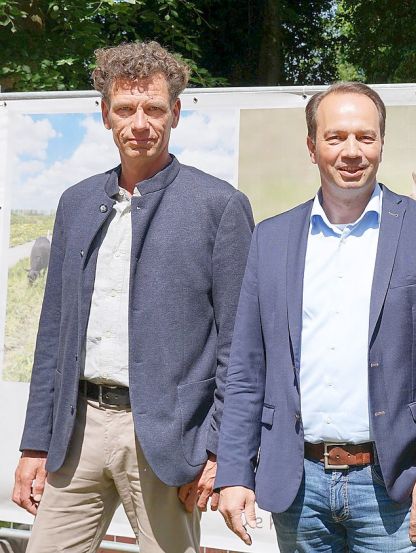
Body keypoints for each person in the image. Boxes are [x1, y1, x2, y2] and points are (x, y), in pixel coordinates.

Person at [11, 41, 254, 552]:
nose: (140, 123)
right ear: (105, 115)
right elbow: (53, 332)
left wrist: (220, 452)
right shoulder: (76, 203)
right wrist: (35, 443)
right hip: (77, 432)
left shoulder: (219, 206)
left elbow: (239, 347)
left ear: (176, 113)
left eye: (154, 108)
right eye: (125, 109)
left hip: (168, 437)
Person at [215, 82, 416, 553]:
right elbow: (245, 369)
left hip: (394, 485)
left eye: (364, 137)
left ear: (381, 143)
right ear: (312, 147)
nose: (351, 151)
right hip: (299, 487)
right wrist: (233, 470)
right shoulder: (271, 239)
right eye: (335, 138)